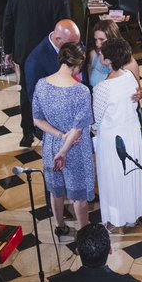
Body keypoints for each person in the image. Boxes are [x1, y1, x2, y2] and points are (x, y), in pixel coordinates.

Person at [32, 42, 94, 239]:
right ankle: (84, 232)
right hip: (75, 149)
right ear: (79, 64)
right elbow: (77, 129)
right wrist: (65, 148)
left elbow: (37, 120)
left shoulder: (41, 84)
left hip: (51, 144)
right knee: (79, 194)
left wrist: (58, 136)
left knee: (56, 190)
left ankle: (60, 226)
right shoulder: (81, 91)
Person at [92, 37, 142, 229]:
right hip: (131, 132)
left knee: (113, 177)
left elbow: (96, 120)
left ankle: (116, 217)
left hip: (112, 138)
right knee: (130, 174)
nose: (99, 53)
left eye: (102, 52)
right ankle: (133, 213)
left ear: (109, 60)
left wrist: (92, 131)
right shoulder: (129, 76)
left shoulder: (102, 88)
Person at [8, 0, 72, 141]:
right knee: (51, 91)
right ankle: (46, 129)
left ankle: (27, 131)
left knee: (26, 89)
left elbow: (8, 22)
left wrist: (8, 50)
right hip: (50, 55)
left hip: (24, 51)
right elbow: (66, 28)